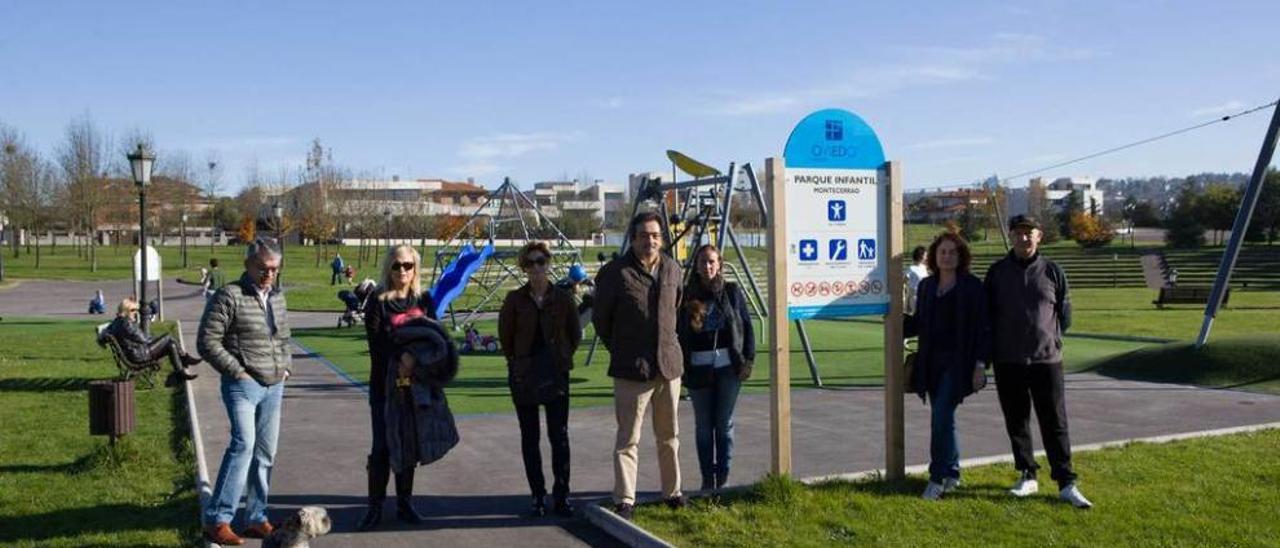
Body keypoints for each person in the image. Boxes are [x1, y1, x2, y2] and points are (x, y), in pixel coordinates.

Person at [985, 214, 1093, 509]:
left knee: (1055, 422)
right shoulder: (996, 273)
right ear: (1011, 236)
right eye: (1018, 233)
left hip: (1047, 361)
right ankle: (1027, 474)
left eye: (1029, 233)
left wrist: (1052, 339)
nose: (1023, 238)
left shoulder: (1053, 271)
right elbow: (988, 318)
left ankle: (1066, 482)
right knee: (1017, 421)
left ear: (1039, 236)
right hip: (1008, 361)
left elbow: (1065, 317)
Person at [198, 238, 294, 545]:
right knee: (243, 446)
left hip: (274, 384)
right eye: (263, 268)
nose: (269, 274)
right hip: (243, 384)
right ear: (248, 265)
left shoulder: (277, 297)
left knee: (265, 452)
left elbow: (284, 337)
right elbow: (207, 341)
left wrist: (286, 367)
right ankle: (217, 519)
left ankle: (255, 517)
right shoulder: (230, 296)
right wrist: (236, 370)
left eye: (274, 269)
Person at [593, 211, 686, 520]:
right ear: (632, 239)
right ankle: (625, 500)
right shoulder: (615, 273)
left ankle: (672, 493)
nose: (650, 241)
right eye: (644, 235)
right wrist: (622, 349)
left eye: (656, 235)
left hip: (668, 368)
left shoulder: (673, 269)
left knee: (669, 436)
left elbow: (677, 309)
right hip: (633, 369)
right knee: (628, 439)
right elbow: (601, 320)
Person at [903, 232, 990, 500]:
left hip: (959, 363)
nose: (947, 256)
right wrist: (894, 317)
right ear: (934, 256)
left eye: (952, 252)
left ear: (961, 256)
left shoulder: (972, 287)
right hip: (931, 362)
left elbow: (983, 329)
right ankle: (952, 471)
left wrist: (980, 365)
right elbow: (918, 323)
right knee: (944, 419)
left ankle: (937, 477)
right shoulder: (927, 286)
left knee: (940, 415)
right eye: (942, 252)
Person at [499, 241, 582, 518]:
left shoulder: (562, 298)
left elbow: (575, 332)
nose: (537, 268)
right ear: (524, 267)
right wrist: (518, 362)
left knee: (559, 436)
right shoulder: (514, 300)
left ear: (548, 263)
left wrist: (561, 357)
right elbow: (506, 337)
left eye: (541, 262)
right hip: (524, 374)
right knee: (530, 437)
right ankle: (537, 495)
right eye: (531, 263)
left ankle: (562, 495)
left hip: (555, 372)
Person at [357, 244, 437, 531]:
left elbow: (433, 336)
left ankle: (405, 503)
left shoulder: (424, 299)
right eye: (396, 265)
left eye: (408, 265)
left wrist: (415, 358)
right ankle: (375, 507)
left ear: (415, 268)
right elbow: (377, 342)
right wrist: (403, 354)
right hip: (384, 387)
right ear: (388, 268)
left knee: (409, 445)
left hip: (414, 388)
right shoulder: (378, 300)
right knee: (382, 447)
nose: (402, 271)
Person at [677, 244, 754, 492]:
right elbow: (680, 332)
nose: (707, 266)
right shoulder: (687, 295)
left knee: (724, 423)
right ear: (697, 266)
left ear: (720, 264)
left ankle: (723, 477)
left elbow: (746, 326)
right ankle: (706, 478)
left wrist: (748, 360)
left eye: (712, 262)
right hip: (698, 367)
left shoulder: (731, 292)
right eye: (702, 262)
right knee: (703, 426)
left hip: (728, 367)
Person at [104, 297, 199, 386]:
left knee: (171, 345)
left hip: (136, 353)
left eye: (136, 310)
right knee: (168, 337)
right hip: (140, 355)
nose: (136, 312)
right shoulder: (127, 324)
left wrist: (157, 340)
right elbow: (144, 340)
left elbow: (104, 333)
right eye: (133, 310)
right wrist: (157, 340)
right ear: (126, 311)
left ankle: (180, 373)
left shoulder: (117, 322)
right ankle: (184, 359)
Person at [905, 245, 929, 316]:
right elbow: (904, 281)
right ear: (921, 255)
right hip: (915, 297)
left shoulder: (924, 268)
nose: (926, 256)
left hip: (925, 296)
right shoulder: (911, 268)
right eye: (925, 254)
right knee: (917, 316)